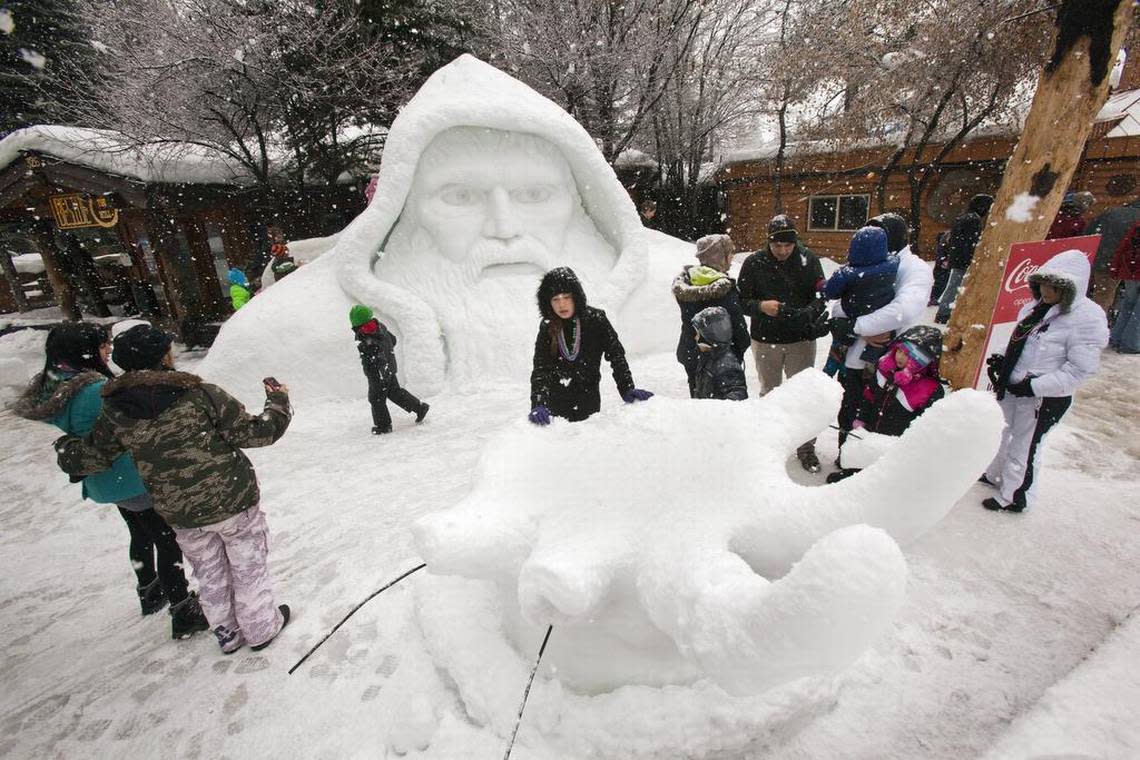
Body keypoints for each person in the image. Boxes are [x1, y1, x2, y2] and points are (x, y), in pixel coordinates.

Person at [55, 324, 294, 654]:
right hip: (230, 500)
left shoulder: (116, 408)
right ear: (163, 356)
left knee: (209, 572)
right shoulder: (199, 394)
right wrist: (278, 401)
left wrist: (67, 449)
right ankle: (260, 627)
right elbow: (257, 433)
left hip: (180, 512)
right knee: (247, 565)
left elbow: (92, 456)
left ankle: (227, 633)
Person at [13, 322, 209, 640]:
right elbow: (128, 426)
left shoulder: (62, 382)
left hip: (108, 479)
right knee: (167, 540)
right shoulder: (93, 391)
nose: (107, 351)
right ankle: (183, 608)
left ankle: (150, 590)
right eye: (102, 345)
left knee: (140, 531)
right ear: (84, 351)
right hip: (131, 475)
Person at [980, 250, 1108, 513]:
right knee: (1002, 433)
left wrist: (1034, 386)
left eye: (1055, 286)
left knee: (1025, 445)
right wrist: (1002, 362)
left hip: (1043, 397)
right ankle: (994, 475)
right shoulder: (1035, 308)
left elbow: (1080, 370)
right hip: (1015, 389)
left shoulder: (1087, 318)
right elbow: (1022, 343)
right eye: (1043, 284)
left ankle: (1013, 496)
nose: (1047, 291)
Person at [833, 212, 933, 450]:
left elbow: (904, 310)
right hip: (853, 357)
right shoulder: (865, 261)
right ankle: (844, 458)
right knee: (849, 410)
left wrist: (858, 325)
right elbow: (838, 306)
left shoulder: (914, 268)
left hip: (893, 361)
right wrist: (859, 329)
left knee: (879, 418)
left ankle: (865, 470)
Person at [737, 214, 828, 471]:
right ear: (769, 242)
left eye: (788, 245)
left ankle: (805, 446)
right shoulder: (754, 263)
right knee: (770, 392)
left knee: (804, 396)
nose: (783, 251)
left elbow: (822, 295)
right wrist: (761, 306)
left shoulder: (808, 260)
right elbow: (741, 300)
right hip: (765, 339)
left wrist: (809, 312)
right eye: (777, 246)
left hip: (801, 339)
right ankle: (768, 444)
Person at [529, 267, 652, 424]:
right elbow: (541, 368)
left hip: (588, 402)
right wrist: (539, 403)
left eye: (566, 297)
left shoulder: (596, 320)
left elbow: (616, 355)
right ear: (548, 303)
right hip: (555, 406)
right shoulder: (548, 326)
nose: (562, 305)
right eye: (556, 300)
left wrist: (627, 387)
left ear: (576, 297)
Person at [826, 326, 945, 483]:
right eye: (899, 351)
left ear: (921, 359)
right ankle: (856, 473)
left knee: (885, 465)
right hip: (873, 427)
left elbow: (927, 425)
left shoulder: (929, 389)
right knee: (866, 449)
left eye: (907, 355)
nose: (900, 357)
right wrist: (861, 418)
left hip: (897, 439)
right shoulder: (884, 372)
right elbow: (868, 396)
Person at [672, 234, 749, 397]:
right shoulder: (724, 289)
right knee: (723, 409)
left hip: (691, 352)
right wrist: (736, 352)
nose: (732, 258)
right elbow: (740, 331)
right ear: (721, 257)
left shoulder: (689, 281)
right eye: (730, 254)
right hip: (722, 360)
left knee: (699, 397)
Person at [822, 226, 898, 376]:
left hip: (851, 315)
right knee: (872, 365)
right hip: (879, 320)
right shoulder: (893, 265)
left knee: (840, 348)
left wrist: (824, 285)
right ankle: (870, 376)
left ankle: (830, 373)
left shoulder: (847, 273)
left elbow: (831, 292)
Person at [349, 304, 430, 433]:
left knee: (376, 399)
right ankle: (419, 408)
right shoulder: (379, 326)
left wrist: (380, 372)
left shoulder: (368, 338)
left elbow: (377, 358)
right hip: (389, 367)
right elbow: (393, 340)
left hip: (379, 373)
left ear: (356, 324)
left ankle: (383, 426)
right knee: (395, 393)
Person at [936, 194, 993, 324]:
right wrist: (974, 257)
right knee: (956, 286)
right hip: (964, 259)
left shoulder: (964, 216)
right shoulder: (973, 220)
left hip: (957, 257)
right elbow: (970, 242)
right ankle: (944, 313)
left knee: (954, 285)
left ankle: (945, 312)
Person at [1084, 198, 1140, 312]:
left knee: (1102, 293)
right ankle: (1098, 322)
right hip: (1127, 264)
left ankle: (1097, 317)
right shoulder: (1137, 219)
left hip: (1102, 257)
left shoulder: (1112, 212)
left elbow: (1089, 230)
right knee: (1117, 298)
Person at [690, 306, 748, 401]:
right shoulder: (709, 356)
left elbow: (738, 396)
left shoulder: (726, 364)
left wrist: (715, 410)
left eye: (698, 333)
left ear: (707, 337)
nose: (695, 337)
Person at [1108, 221, 1140, 354]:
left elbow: (1123, 247)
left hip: (1130, 271)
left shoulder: (1137, 226)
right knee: (1137, 311)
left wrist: (1115, 268)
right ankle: (1131, 343)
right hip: (1133, 270)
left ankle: (1116, 337)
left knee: (1127, 306)